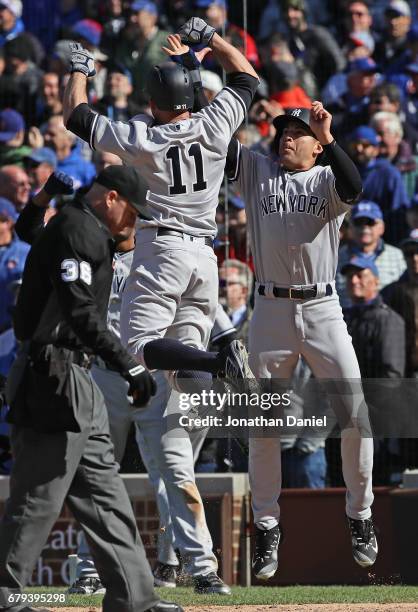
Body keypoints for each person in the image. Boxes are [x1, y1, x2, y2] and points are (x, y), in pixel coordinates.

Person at [0, 165, 183, 612]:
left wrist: (41, 199)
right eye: (133, 212)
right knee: (38, 494)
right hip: (53, 376)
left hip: (77, 376)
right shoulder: (78, 228)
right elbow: (79, 311)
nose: (134, 222)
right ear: (111, 199)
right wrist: (131, 368)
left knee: (105, 492)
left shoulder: (76, 225)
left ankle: (133, 596)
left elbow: (28, 230)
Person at [62, 20, 260, 397]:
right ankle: (234, 405)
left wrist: (80, 70)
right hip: (205, 257)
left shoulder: (143, 138)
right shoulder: (217, 123)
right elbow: (247, 76)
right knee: (183, 370)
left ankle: (222, 362)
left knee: (138, 345)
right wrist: (212, 38)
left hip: (163, 250)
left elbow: (76, 115)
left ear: (153, 103)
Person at [225, 103, 377, 579]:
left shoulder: (326, 179)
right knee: (264, 424)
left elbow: (355, 185)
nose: (288, 138)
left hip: (323, 306)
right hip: (269, 308)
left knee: (356, 412)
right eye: (284, 131)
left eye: (299, 132)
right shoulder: (258, 170)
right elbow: (218, 144)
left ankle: (361, 514)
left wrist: (329, 135)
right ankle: (267, 525)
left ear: (316, 146)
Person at [341, 256, 406, 484]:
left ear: (376, 282)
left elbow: (392, 376)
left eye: (360, 275)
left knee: (373, 483)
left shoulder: (388, 320)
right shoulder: (343, 319)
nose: (354, 281)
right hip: (344, 417)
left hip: (377, 422)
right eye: (349, 276)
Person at [345, 125, 410, 244]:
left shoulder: (389, 173)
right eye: (355, 145)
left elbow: (398, 213)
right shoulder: (343, 172)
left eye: (365, 145)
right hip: (349, 239)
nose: (359, 149)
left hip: (384, 239)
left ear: (376, 149)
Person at [336, 200, 406, 307]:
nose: (365, 228)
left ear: (382, 227)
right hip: (345, 320)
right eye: (359, 222)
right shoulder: (336, 257)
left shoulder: (398, 256)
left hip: (386, 320)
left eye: (370, 222)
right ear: (350, 228)